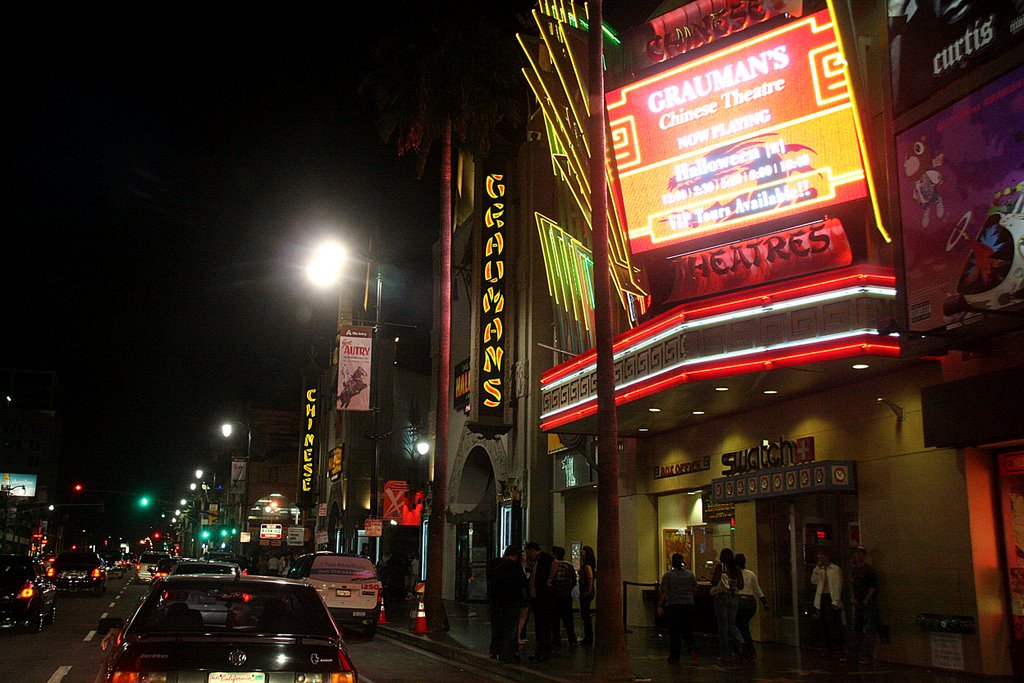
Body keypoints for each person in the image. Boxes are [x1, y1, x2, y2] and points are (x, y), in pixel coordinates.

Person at [657, 552, 699, 664]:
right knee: (688, 631)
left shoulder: (668, 575)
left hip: (673, 605)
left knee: (674, 632)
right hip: (689, 605)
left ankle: (674, 657)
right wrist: (689, 597)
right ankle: (693, 650)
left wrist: (660, 605)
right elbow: (695, 589)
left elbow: (664, 591)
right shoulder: (690, 574)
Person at [489, 545, 529, 663]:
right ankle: (507, 653)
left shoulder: (498, 567)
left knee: (498, 627)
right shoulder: (516, 568)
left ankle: (495, 650)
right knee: (510, 628)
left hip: (497, 602)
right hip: (512, 601)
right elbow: (523, 583)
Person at [709, 547, 744, 661]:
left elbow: (714, 581)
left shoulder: (721, 567)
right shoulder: (737, 569)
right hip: (734, 597)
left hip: (722, 597)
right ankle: (740, 641)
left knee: (723, 625)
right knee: (731, 623)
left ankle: (724, 652)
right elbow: (741, 585)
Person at [525, 541, 556, 662]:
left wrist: (549, 579)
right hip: (538, 597)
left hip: (542, 597)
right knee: (541, 626)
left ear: (532, 550)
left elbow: (555, 562)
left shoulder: (543, 558)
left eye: (528, 552)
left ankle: (543, 652)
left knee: (543, 626)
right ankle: (541, 652)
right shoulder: (538, 560)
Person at [811, 548, 845, 659]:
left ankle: (838, 649)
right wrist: (817, 568)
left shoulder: (834, 569)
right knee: (824, 625)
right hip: (822, 597)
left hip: (830, 596)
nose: (820, 558)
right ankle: (828, 648)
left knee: (833, 625)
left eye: (822, 556)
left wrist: (836, 600)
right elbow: (814, 581)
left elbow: (838, 584)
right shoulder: (820, 570)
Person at [735, 553, 769, 660]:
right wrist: (764, 603)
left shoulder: (734, 574)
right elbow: (758, 590)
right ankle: (748, 649)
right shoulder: (751, 574)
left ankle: (747, 648)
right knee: (744, 626)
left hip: (740, 602)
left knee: (740, 626)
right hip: (751, 602)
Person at [848, 547, 878, 666]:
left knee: (869, 628)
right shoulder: (855, 570)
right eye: (857, 554)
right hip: (859, 601)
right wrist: (854, 597)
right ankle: (856, 653)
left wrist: (866, 599)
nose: (858, 556)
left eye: (860, 554)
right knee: (858, 627)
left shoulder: (868, 570)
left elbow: (872, 586)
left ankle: (866, 655)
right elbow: (854, 585)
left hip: (868, 603)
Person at [550, 546, 578, 647]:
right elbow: (574, 580)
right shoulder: (569, 566)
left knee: (555, 619)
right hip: (566, 595)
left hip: (555, 595)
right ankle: (572, 640)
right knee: (568, 619)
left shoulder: (552, 565)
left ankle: (556, 640)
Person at [578, 545, 596, 647]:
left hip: (586, 591)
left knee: (585, 615)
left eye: (583, 550)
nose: (581, 551)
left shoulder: (587, 565)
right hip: (586, 591)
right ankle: (588, 637)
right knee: (585, 614)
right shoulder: (587, 564)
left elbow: (590, 577)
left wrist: (589, 590)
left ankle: (588, 637)